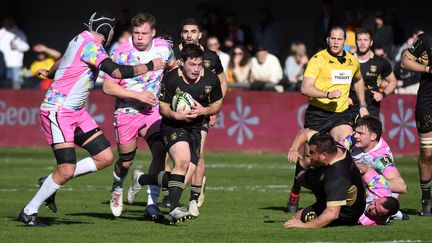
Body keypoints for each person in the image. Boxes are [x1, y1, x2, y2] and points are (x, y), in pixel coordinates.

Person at [18, 11, 164, 227]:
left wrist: (50, 72)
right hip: (58, 110)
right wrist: (151, 66)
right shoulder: (92, 47)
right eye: (113, 29)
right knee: (66, 169)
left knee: (105, 157)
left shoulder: (80, 38)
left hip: (76, 112)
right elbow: (115, 72)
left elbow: (64, 58)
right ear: (107, 29)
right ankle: (29, 211)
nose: (114, 33)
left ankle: (51, 183)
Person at [129, 44, 223, 222]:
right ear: (181, 63)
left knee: (182, 180)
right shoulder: (171, 79)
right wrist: (176, 115)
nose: (196, 69)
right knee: (182, 161)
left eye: (199, 64)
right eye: (192, 64)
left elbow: (217, 104)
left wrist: (204, 111)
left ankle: (142, 179)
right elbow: (163, 108)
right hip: (173, 125)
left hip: (196, 126)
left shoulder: (210, 78)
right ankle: (174, 209)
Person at [102, 13, 177, 218]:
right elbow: (108, 87)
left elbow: (174, 68)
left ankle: (151, 205)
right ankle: (117, 186)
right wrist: (138, 96)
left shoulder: (164, 47)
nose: (140, 37)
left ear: (153, 33)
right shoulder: (120, 51)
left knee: (160, 152)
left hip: (153, 112)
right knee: (125, 161)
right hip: (127, 112)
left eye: (144, 33)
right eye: (136, 33)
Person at [286, 26, 369, 213]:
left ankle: (342, 193)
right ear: (327, 40)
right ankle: (295, 192)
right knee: (308, 159)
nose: (335, 42)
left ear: (345, 41)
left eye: (339, 39)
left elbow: (358, 80)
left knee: (345, 148)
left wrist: (362, 104)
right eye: (333, 38)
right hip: (318, 113)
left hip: (340, 115)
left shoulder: (351, 61)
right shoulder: (318, 59)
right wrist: (328, 93)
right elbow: (305, 88)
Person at [168, 18, 227, 214]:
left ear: (200, 35)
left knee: (198, 155)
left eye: (193, 31)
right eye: (186, 32)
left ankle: (194, 197)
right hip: (174, 114)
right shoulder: (172, 53)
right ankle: (170, 193)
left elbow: (222, 82)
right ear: (181, 34)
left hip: (200, 113)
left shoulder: (210, 56)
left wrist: (213, 109)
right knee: (169, 157)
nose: (190, 35)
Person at [284, 132, 366, 228]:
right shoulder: (332, 146)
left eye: (312, 153)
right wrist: (294, 148)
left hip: (346, 213)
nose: (309, 155)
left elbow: (332, 214)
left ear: (323, 155)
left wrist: (304, 225)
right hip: (328, 180)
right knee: (302, 172)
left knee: (297, 218)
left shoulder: (337, 176)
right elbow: (305, 132)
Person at [401, 32, 432, 216]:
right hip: (428, 100)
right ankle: (426, 200)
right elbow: (405, 61)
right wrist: (428, 69)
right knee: (427, 153)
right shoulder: (427, 39)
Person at [348, 28, 397, 120]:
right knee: (349, 134)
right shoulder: (347, 60)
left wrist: (383, 94)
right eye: (359, 40)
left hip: (371, 105)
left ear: (371, 42)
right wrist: (343, 97)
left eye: (365, 40)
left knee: (368, 133)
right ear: (355, 42)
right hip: (350, 104)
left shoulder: (381, 62)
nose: (362, 43)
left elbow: (393, 81)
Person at [0, 16, 29, 89]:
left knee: (16, 83)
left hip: (15, 64)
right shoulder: (1, 32)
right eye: (6, 22)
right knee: (3, 84)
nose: (7, 23)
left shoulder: (19, 33)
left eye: (9, 21)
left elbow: (26, 47)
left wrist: (17, 45)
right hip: (2, 64)